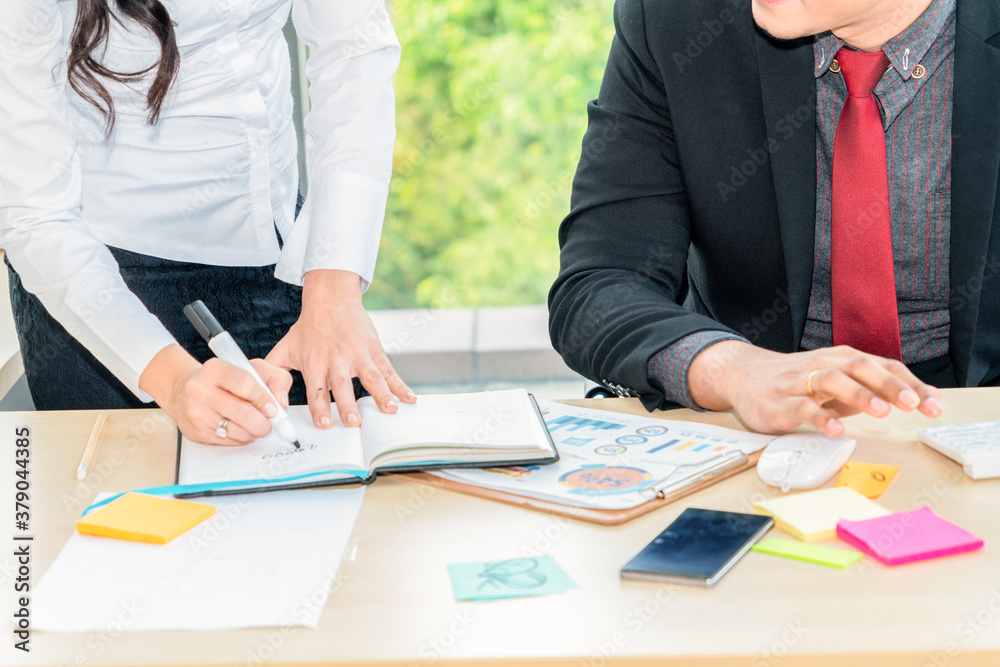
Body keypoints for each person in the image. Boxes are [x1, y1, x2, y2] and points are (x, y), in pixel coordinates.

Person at [550, 0, 1000, 436]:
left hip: (977, 413)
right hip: (752, 410)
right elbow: (599, 284)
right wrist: (733, 370)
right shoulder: (673, 19)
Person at [0, 0, 414, 445]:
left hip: (287, 253)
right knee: (135, 504)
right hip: (102, 277)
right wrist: (173, 382)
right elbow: (35, 214)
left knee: (338, 478)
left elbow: (353, 55)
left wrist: (334, 286)